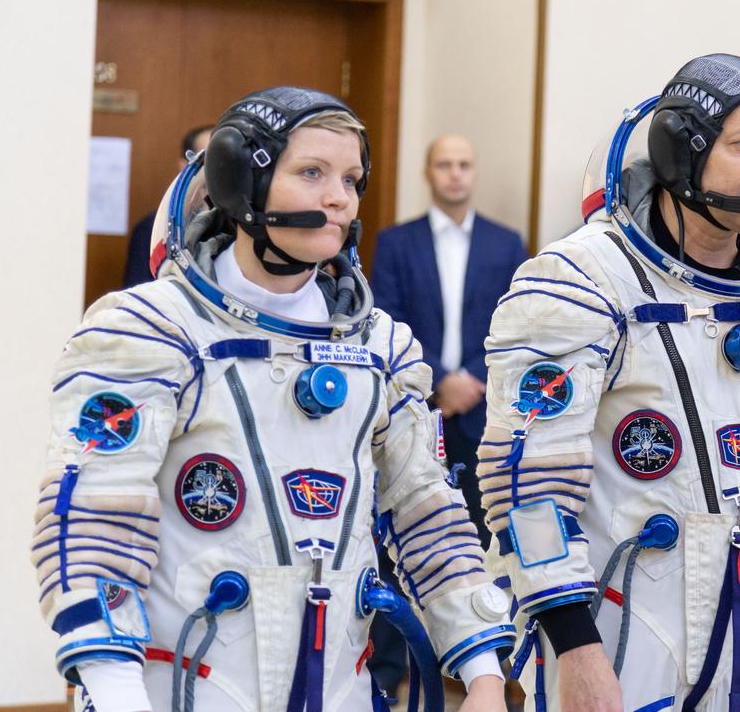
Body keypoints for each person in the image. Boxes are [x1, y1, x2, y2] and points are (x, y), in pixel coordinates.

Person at [34, 87, 514, 711]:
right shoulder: (150, 332)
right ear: (242, 182)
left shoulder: (380, 348)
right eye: (312, 173)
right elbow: (93, 519)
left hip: (339, 689)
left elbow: (428, 513)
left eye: (351, 180)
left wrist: (482, 673)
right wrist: (118, 693)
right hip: (175, 691)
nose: (339, 198)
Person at [479, 54, 740, 712]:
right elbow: (528, 486)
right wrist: (576, 652)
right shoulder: (580, 280)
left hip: (738, 644)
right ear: (682, 152)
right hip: (604, 635)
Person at [372, 134, 528, 546]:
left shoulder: (507, 243)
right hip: (417, 406)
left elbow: (520, 320)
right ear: (427, 173)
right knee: (416, 532)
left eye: (463, 164)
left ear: (475, 172)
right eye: (444, 164)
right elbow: (387, 319)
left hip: (486, 409)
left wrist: (473, 379)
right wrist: (441, 379)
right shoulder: (395, 243)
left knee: (484, 533)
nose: (454, 174)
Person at [122, 125, 214, 288]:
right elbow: (139, 293)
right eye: (210, 161)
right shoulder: (152, 228)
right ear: (185, 167)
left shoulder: (245, 228)